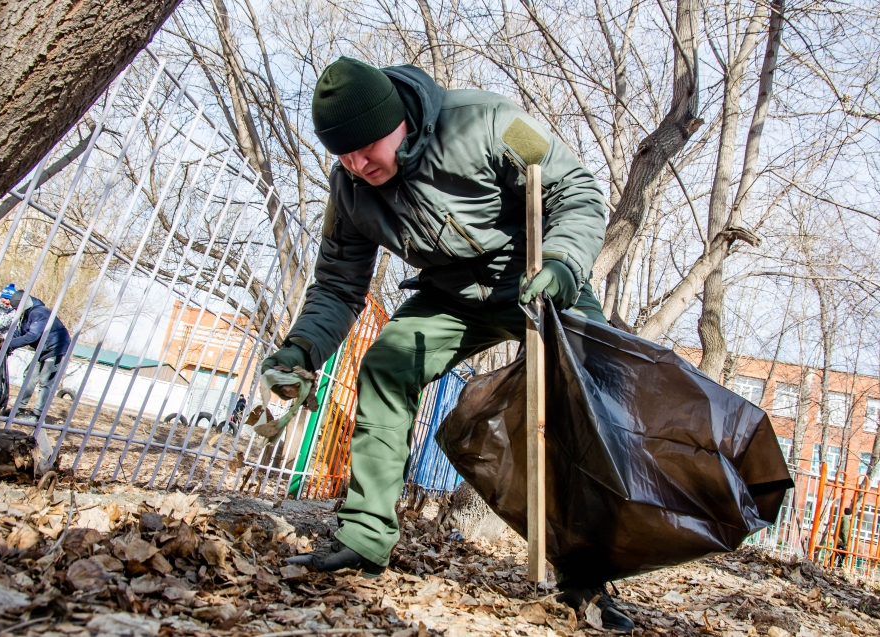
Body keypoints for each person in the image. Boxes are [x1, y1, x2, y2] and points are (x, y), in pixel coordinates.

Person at [261, 58, 629, 630]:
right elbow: (337, 283)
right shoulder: (351, 190)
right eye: (343, 153)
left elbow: (575, 188)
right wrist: (302, 350)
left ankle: (587, 578)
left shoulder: (489, 121)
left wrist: (562, 264)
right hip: (451, 297)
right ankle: (363, 538)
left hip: (537, 277)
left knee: (579, 400)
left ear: (398, 122)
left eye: (366, 147)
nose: (358, 164)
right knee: (385, 365)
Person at [7, 290, 71, 422]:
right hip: (43, 349)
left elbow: (32, 336)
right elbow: (20, 333)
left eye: (15, 308)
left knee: (45, 381)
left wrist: (8, 345)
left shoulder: (39, 313)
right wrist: (6, 343)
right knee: (29, 376)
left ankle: (37, 415)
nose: (15, 311)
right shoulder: (27, 315)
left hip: (56, 348)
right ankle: (19, 409)